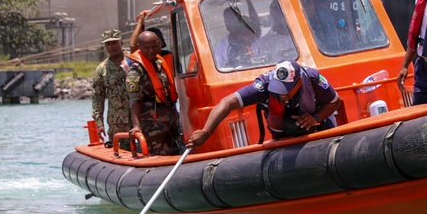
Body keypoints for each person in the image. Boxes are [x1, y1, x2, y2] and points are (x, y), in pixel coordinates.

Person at [186, 59, 339, 148]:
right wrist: (206, 131)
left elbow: (335, 102)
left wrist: (316, 118)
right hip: (284, 134)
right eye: (278, 88)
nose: (281, 94)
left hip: (318, 127)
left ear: (298, 84)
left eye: (286, 90)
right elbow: (227, 103)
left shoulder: (313, 79)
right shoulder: (264, 85)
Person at [126, 30, 182, 155]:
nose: (151, 50)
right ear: (140, 48)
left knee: (176, 152)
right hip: (152, 126)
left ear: (159, 43)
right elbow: (134, 99)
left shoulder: (160, 63)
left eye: (154, 46)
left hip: (170, 123)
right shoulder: (136, 71)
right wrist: (136, 126)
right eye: (147, 48)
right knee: (158, 157)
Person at [91, 29, 131, 144]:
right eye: (108, 44)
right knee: (120, 154)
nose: (112, 46)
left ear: (121, 43)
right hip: (117, 122)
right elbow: (97, 98)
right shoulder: (102, 69)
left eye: (114, 42)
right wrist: (99, 124)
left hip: (140, 117)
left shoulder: (134, 60)